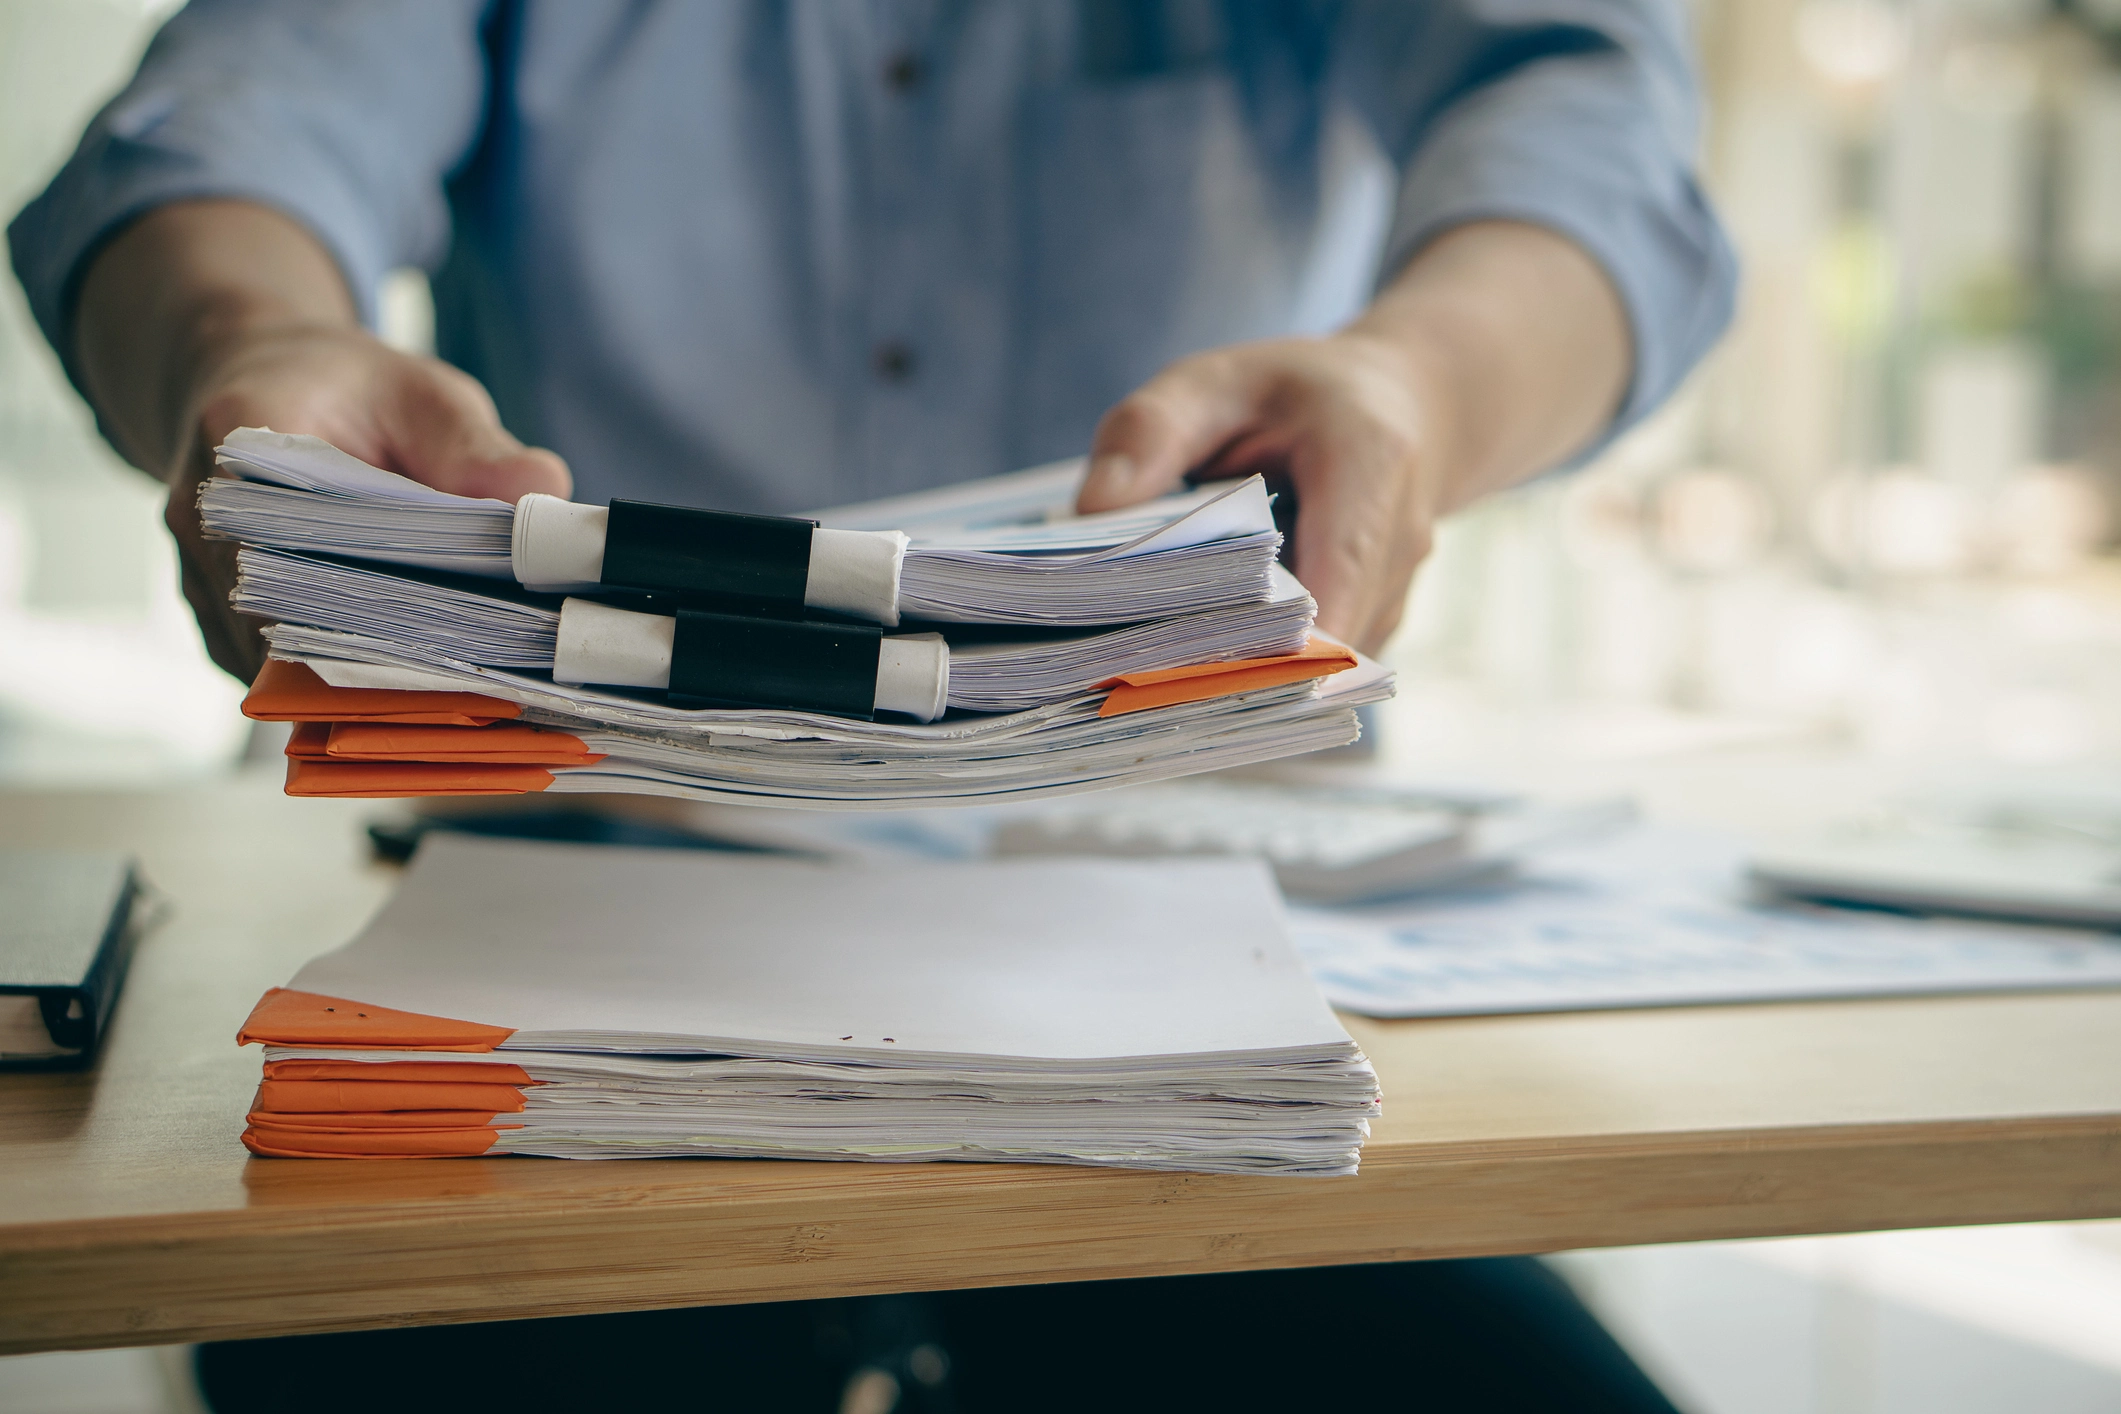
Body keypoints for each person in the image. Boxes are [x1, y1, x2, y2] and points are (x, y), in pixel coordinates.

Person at [11, 2, 1734, 1410]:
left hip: (1192, 989)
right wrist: (246, 344)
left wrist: (1416, 383)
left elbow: (1589, 121)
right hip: (546, 994)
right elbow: (226, 119)